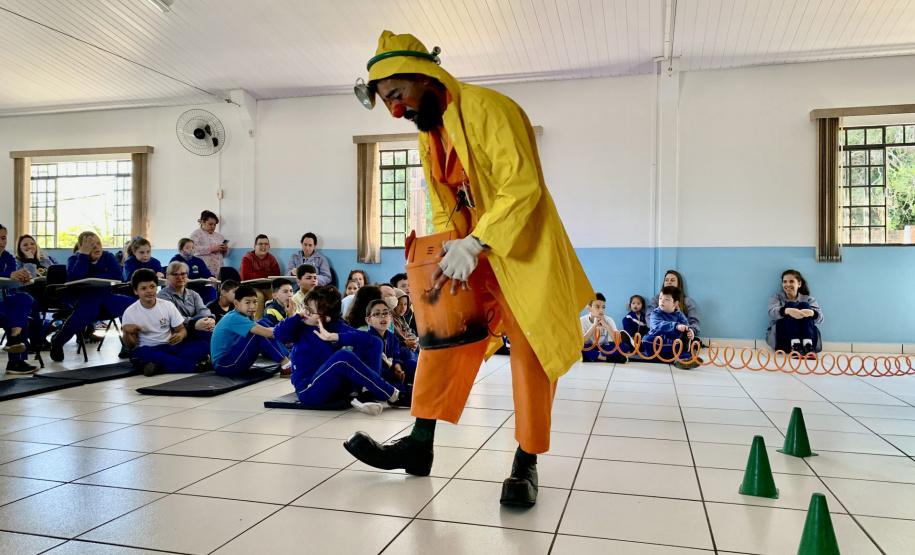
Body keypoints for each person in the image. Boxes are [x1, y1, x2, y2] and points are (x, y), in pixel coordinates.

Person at [344, 32, 592, 508]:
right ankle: (419, 445)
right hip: (466, 256)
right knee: (442, 339)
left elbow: (522, 187)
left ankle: (526, 462)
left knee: (530, 353)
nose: (395, 110)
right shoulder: (427, 132)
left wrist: (479, 240)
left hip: (521, 252)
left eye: (397, 95)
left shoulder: (490, 108)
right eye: (386, 103)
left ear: (426, 77)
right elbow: (442, 204)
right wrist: (445, 251)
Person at [273, 286, 410, 414]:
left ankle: (367, 392)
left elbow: (369, 340)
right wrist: (296, 316)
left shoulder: (334, 325)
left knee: (376, 342)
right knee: (343, 356)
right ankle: (392, 395)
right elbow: (278, 333)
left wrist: (335, 336)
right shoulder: (299, 327)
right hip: (310, 389)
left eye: (309, 311)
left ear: (326, 317)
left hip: (337, 387)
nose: (305, 313)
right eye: (304, 308)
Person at [50, 232, 135, 362]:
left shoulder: (108, 257)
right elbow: (75, 278)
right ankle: (58, 342)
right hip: (85, 298)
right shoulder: (74, 259)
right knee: (86, 314)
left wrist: (91, 278)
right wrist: (83, 255)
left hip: (107, 296)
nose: (96, 247)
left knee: (135, 306)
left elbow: (117, 276)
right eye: (91, 245)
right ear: (81, 246)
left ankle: (129, 345)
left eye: (98, 243)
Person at [122, 269, 210, 376]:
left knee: (203, 345)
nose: (149, 291)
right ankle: (192, 366)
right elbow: (131, 346)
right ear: (136, 291)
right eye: (143, 288)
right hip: (149, 349)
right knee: (140, 354)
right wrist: (126, 333)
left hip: (170, 347)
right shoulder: (130, 312)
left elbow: (181, 329)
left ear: (156, 287)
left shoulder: (167, 305)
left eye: (152, 287)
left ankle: (159, 366)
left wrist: (180, 335)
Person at [210, 285, 290, 377]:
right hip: (224, 365)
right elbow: (269, 333)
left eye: (255, 302)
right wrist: (290, 321)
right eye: (247, 302)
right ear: (236, 303)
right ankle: (286, 364)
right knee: (259, 331)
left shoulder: (245, 315)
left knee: (263, 322)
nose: (252, 306)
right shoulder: (234, 317)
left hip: (234, 358)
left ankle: (288, 358)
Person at [1, 224, 38, 374]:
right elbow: (9, 273)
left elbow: (11, 270)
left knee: (23, 298)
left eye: (3, 238)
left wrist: (19, 275)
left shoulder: (7, 257)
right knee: (19, 317)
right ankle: (16, 358)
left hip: (3, 302)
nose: (1, 242)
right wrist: (10, 274)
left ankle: (14, 340)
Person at [766, 269, 824, 357]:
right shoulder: (776, 297)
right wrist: (788, 311)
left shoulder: (808, 299)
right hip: (783, 338)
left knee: (804, 305)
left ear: (799, 283)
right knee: (790, 305)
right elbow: (771, 313)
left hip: (806, 336)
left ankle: (807, 345)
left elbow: (821, 319)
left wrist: (811, 313)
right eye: (785, 282)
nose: (788, 284)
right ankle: (795, 345)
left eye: (791, 281)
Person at [157, 261, 215, 343]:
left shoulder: (193, 294)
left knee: (207, 322)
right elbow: (172, 317)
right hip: (176, 331)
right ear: (167, 277)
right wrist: (193, 323)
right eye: (175, 274)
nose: (180, 277)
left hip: (196, 329)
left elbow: (203, 310)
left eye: (183, 274)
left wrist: (210, 319)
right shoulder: (163, 295)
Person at [643, 286, 699, 370]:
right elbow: (658, 325)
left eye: (667, 299)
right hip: (658, 346)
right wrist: (676, 326)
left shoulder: (679, 314)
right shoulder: (655, 313)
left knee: (685, 350)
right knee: (646, 339)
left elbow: (687, 325)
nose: (662, 301)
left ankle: (683, 361)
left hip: (673, 347)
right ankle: (679, 349)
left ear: (675, 304)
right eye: (661, 298)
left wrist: (690, 331)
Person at [365, 299, 417, 387]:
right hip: (377, 377)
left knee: (411, 364)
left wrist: (398, 368)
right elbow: (370, 368)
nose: (382, 317)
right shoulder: (367, 339)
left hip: (392, 372)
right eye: (377, 314)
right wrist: (393, 374)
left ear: (390, 318)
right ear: (368, 320)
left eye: (385, 313)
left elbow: (395, 356)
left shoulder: (392, 337)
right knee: (399, 386)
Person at [648, 270, 701, 346]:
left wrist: (690, 331)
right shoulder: (656, 300)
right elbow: (650, 320)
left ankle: (682, 346)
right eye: (666, 280)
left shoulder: (686, 302)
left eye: (672, 280)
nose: (669, 282)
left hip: (678, 335)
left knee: (690, 342)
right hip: (658, 332)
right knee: (647, 339)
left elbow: (693, 321)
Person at [240, 234, 280, 320]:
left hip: (268, 287)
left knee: (277, 296)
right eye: (260, 244)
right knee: (259, 297)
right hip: (251, 287)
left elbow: (276, 275)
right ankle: (257, 324)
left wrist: (255, 273)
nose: (263, 246)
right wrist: (265, 274)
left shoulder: (271, 258)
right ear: (255, 246)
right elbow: (245, 276)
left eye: (266, 244)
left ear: (269, 247)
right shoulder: (247, 258)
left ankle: (275, 323)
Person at [581, 293, 628, 363]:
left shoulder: (609, 320)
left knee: (625, 346)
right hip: (589, 347)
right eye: (597, 307)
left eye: (603, 307)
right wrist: (594, 325)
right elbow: (581, 342)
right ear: (589, 308)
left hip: (604, 347)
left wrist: (605, 325)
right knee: (579, 346)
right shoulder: (582, 320)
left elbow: (618, 341)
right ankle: (607, 358)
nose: (601, 310)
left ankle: (594, 356)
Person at [189, 210, 229, 278]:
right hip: (204, 268)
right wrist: (212, 248)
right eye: (210, 224)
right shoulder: (195, 235)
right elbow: (193, 250)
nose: (213, 226)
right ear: (202, 222)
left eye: (215, 224)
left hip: (219, 268)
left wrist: (225, 250)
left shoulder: (219, 236)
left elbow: (225, 255)